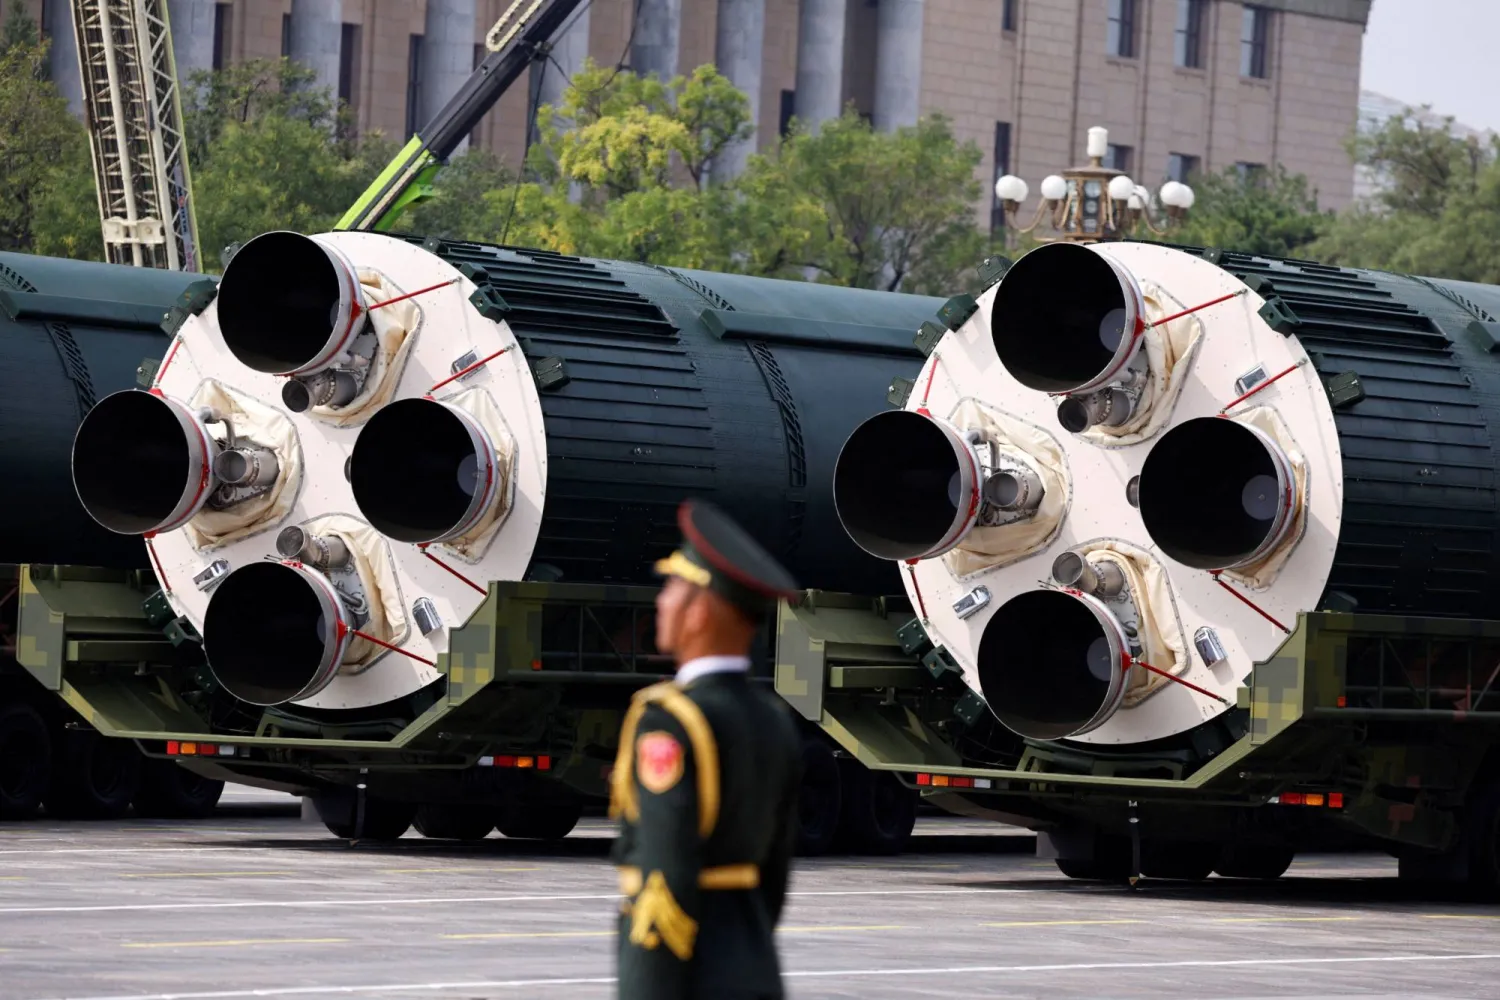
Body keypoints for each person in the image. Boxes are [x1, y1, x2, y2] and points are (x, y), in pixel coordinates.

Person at [609, 498, 804, 1000]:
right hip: (752, 964)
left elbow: (665, 869)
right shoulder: (774, 721)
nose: (662, 603)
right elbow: (775, 872)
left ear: (701, 609)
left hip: (688, 977)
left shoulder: (670, 720)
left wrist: (646, 987)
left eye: (673, 586)